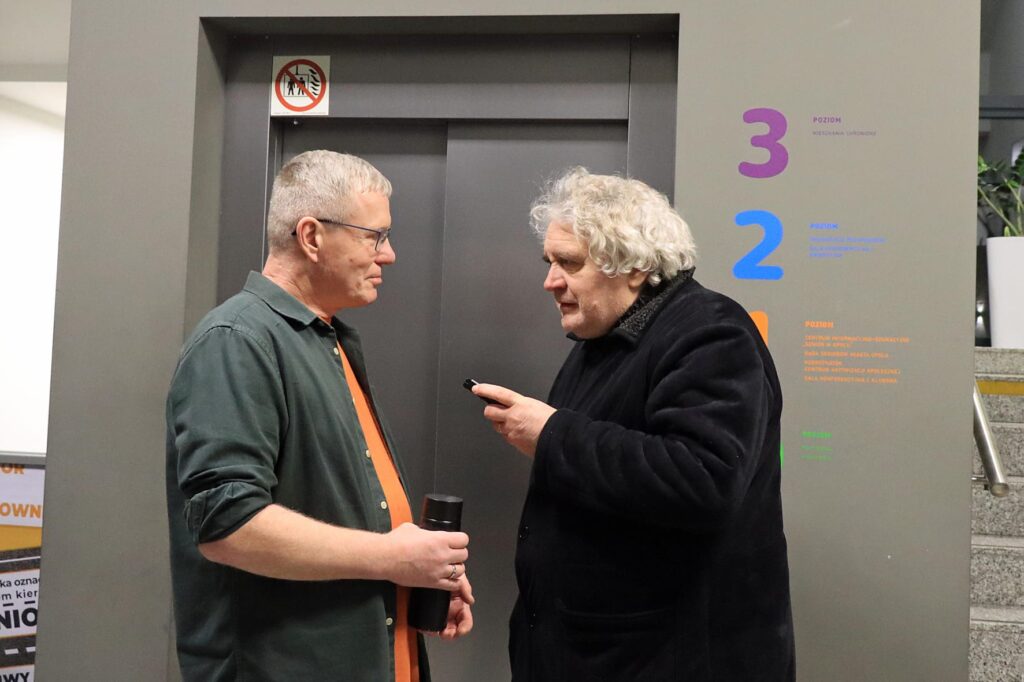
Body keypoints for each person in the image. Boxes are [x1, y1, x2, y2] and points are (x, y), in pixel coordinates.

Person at [472, 168, 794, 681]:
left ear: (635, 267)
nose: (550, 281)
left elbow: (704, 480)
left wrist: (552, 435)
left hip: (668, 659)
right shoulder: (603, 340)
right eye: (549, 262)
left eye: (569, 263)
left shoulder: (711, 333)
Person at [166, 150, 473, 682]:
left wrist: (417, 573)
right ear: (311, 236)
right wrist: (391, 558)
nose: (389, 254)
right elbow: (228, 524)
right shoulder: (237, 341)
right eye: (375, 236)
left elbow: (342, 509)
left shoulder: (325, 338)